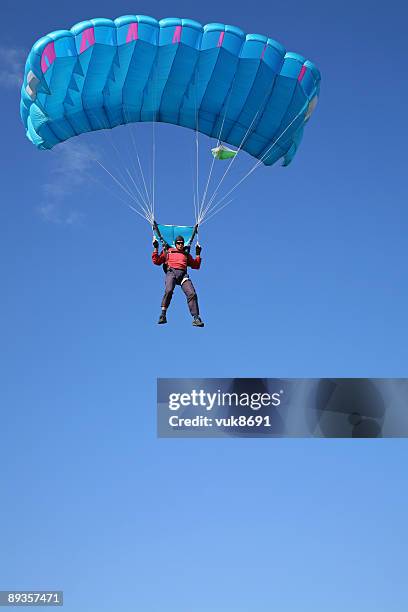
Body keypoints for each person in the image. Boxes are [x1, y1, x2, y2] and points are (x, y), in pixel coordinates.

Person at [152, 235, 204, 327]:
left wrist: (198, 254)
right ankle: (163, 315)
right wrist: (156, 248)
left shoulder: (186, 254)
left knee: (192, 293)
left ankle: (196, 318)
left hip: (183, 275)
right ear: (175, 244)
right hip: (171, 272)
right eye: (178, 243)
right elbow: (157, 261)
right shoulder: (168, 251)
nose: (180, 245)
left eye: (182, 243)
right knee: (169, 290)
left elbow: (196, 265)